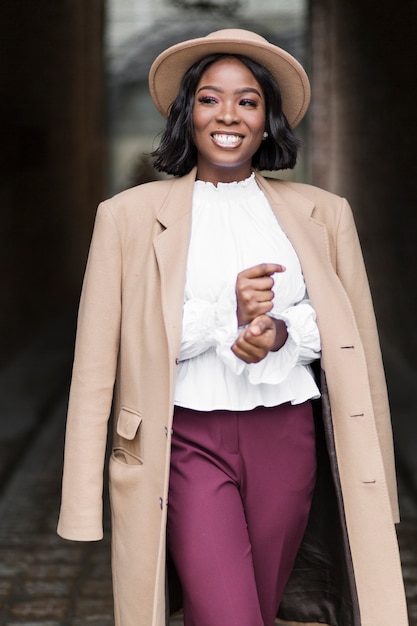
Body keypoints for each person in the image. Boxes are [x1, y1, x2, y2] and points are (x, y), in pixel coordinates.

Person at [57, 29, 409, 626]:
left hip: (286, 437)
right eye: (209, 98)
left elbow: (354, 340)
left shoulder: (322, 213)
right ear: (185, 113)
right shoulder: (126, 218)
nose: (229, 115)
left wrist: (278, 332)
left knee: (258, 611)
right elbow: (98, 358)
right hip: (186, 440)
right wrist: (229, 318)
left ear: (268, 118)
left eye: (247, 101)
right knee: (228, 616)